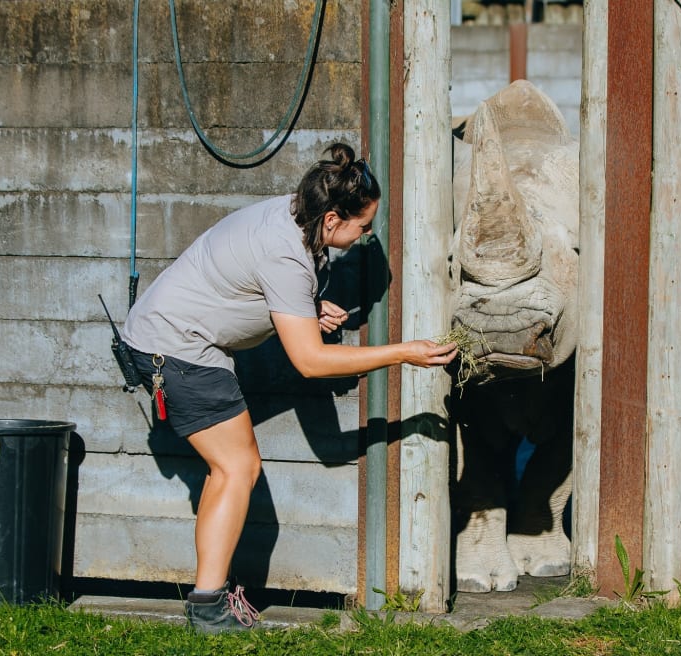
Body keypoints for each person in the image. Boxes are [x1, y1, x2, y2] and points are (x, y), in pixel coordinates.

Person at [122, 143, 458, 634]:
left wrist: (303, 308)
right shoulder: (286, 252)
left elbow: (251, 283)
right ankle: (208, 608)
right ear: (332, 220)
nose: (366, 236)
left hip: (182, 340)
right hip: (175, 345)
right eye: (363, 227)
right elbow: (310, 361)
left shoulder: (294, 213)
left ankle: (209, 601)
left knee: (233, 468)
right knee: (236, 467)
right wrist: (403, 353)